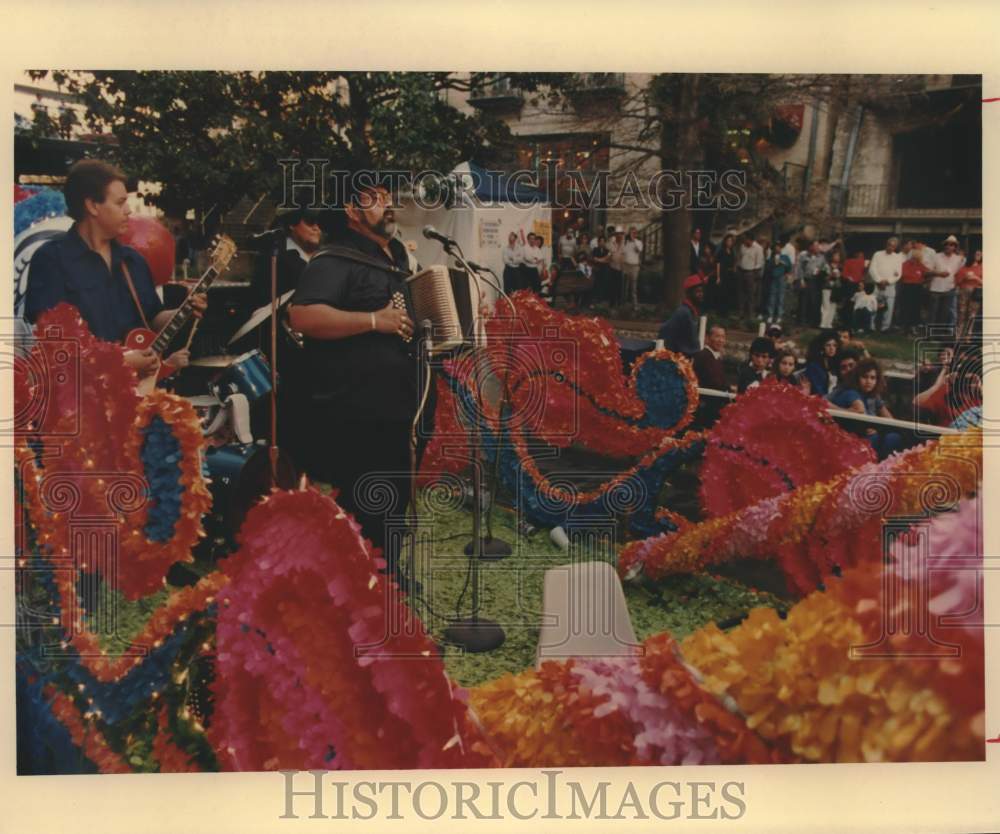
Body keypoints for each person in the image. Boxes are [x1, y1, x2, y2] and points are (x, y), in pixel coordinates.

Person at [288, 178, 425, 592]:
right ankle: (358, 578)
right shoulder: (334, 259)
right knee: (369, 496)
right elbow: (303, 316)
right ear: (351, 210)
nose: (388, 205)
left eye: (388, 197)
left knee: (396, 495)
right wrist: (372, 321)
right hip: (359, 406)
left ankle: (387, 570)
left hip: (402, 401)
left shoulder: (398, 255)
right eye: (375, 199)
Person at [25, 159, 207, 381]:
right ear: (92, 206)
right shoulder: (51, 260)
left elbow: (151, 319)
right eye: (120, 203)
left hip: (135, 398)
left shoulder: (133, 261)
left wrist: (184, 311)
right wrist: (121, 362)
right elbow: (55, 345)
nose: (129, 210)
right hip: (83, 399)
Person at [829, 358, 902, 460]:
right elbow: (861, 413)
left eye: (873, 378)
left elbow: (890, 420)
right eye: (865, 377)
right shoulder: (850, 392)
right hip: (852, 442)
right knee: (892, 439)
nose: (869, 381)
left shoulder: (873, 395)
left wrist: (878, 428)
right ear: (857, 378)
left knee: (894, 437)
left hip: (868, 438)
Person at [658, 274, 704, 357]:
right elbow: (664, 330)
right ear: (689, 293)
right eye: (698, 291)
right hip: (682, 358)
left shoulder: (691, 311)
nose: (701, 294)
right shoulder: (683, 312)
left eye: (701, 291)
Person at [925, 234, 964, 328]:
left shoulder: (959, 259)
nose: (948, 246)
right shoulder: (936, 256)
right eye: (947, 244)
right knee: (932, 313)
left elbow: (961, 272)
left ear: (955, 247)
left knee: (945, 314)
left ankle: (940, 334)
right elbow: (927, 272)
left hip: (949, 289)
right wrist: (938, 273)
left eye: (951, 245)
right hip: (935, 289)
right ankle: (929, 334)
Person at [867, 237, 903, 331]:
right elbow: (872, 269)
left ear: (895, 247)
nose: (891, 247)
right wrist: (879, 280)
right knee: (874, 305)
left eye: (893, 246)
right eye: (889, 245)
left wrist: (887, 281)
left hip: (890, 286)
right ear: (886, 245)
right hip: (877, 285)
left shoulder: (897, 257)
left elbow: (898, 274)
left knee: (889, 308)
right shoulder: (877, 254)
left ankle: (885, 327)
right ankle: (871, 326)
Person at [897, 244, 927, 334]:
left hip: (917, 288)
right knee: (905, 307)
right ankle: (903, 326)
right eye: (914, 257)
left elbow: (926, 273)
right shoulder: (905, 264)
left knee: (916, 307)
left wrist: (923, 279)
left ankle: (913, 326)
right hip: (907, 287)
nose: (915, 259)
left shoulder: (921, 265)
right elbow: (904, 275)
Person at [802, 330, 840, 397]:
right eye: (828, 345)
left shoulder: (834, 364)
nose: (832, 348)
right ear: (821, 347)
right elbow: (818, 391)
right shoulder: (813, 366)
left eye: (834, 345)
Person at [736, 232, 764, 320]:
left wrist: (755, 273)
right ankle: (741, 313)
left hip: (751, 272)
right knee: (741, 293)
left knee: (751, 294)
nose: (745, 242)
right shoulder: (742, 246)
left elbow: (759, 262)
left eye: (746, 240)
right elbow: (740, 257)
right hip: (741, 270)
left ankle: (751, 314)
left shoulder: (758, 248)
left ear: (750, 240)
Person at [763, 243, 793, 324]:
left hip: (782, 278)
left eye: (778, 248)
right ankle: (770, 315)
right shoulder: (771, 258)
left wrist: (783, 264)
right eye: (775, 248)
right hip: (773, 278)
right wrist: (773, 263)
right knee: (772, 297)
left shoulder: (785, 257)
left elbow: (790, 267)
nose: (777, 250)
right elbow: (768, 268)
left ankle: (779, 315)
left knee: (781, 297)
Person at [692, 325, 729, 390]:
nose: (721, 340)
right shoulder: (703, 356)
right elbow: (713, 383)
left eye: (723, 337)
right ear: (707, 338)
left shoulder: (717, 358)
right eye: (717, 336)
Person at [956, 249, 983, 337]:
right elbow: (957, 281)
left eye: (980, 254)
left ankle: (968, 335)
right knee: (961, 313)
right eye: (977, 254)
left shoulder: (982, 268)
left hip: (976, 293)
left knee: (972, 315)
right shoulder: (964, 268)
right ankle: (958, 334)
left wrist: (976, 278)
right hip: (963, 293)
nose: (979, 255)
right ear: (972, 255)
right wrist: (965, 278)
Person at [715, 233, 737, 317]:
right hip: (722, 273)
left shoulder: (732, 251)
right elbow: (718, 264)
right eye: (728, 241)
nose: (730, 242)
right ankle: (720, 312)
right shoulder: (721, 251)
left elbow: (734, 261)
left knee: (728, 293)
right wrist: (718, 276)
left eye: (731, 241)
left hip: (730, 274)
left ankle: (726, 311)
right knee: (722, 293)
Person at [622, 226, 644, 310]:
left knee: (633, 287)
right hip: (626, 265)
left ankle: (635, 305)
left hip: (634, 266)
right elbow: (623, 252)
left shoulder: (638, 242)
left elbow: (638, 250)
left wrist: (633, 240)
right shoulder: (626, 242)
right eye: (631, 233)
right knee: (625, 286)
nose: (633, 234)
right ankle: (624, 304)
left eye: (634, 233)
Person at [608, 227, 626, 306]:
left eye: (620, 234)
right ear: (615, 235)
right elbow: (609, 253)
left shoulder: (624, 243)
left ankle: (619, 303)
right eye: (618, 234)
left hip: (621, 267)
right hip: (612, 266)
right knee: (612, 286)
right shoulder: (612, 242)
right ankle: (612, 303)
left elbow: (625, 255)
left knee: (620, 287)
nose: (619, 235)